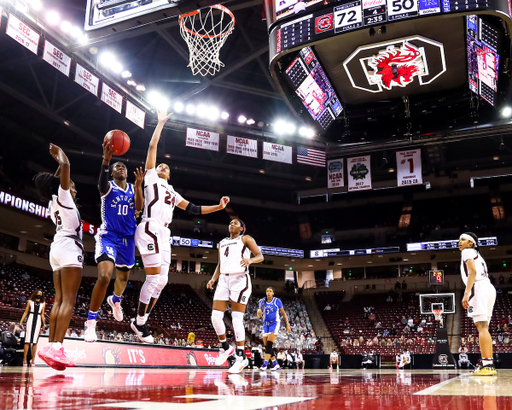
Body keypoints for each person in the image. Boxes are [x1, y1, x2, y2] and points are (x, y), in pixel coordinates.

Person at [132, 108, 230, 343]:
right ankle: (138, 322)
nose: (163, 167)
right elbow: (152, 148)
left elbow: (194, 209)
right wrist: (160, 124)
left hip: (164, 233)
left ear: (169, 175)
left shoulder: (172, 191)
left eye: (166, 167)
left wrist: (218, 207)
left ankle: (141, 322)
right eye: (160, 166)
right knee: (154, 278)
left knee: (163, 281)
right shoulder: (151, 178)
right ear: (154, 172)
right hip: (149, 226)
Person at [84, 141, 144, 342]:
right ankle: (91, 322)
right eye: (117, 167)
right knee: (104, 277)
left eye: (123, 166)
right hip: (108, 235)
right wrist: (106, 160)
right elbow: (100, 184)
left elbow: (139, 206)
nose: (121, 168)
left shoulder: (132, 189)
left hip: (127, 238)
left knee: (123, 279)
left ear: (126, 173)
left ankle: (115, 300)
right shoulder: (107, 187)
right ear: (112, 172)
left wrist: (138, 186)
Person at [34, 144, 82, 371]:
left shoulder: (53, 201)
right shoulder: (63, 195)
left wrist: (56, 165)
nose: (72, 187)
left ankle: (51, 345)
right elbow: (66, 166)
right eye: (69, 184)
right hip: (70, 246)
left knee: (60, 299)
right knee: (69, 301)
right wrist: (61, 154)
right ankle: (58, 346)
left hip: (57, 249)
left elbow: (57, 178)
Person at [208, 218, 264, 373]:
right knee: (215, 317)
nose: (231, 224)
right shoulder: (222, 242)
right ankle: (225, 348)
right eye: (230, 223)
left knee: (236, 318)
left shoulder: (245, 239)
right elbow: (220, 265)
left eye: (235, 223)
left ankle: (241, 356)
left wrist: (250, 260)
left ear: (241, 229)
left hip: (240, 279)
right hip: (224, 279)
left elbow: (260, 256)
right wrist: (213, 279)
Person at [459, 232, 497, 376]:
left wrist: (466, 293)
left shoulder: (467, 252)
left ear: (471, 243)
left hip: (479, 288)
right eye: (460, 240)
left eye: (463, 239)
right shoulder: (477, 254)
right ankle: (489, 364)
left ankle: (487, 365)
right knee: (484, 328)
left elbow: (472, 272)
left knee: (481, 327)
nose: (460, 242)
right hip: (489, 287)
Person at [257, 286, 291, 372]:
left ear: (273, 293)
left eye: (270, 291)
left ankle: (265, 364)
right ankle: (275, 363)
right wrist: (258, 313)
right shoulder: (262, 301)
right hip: (265, 324)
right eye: (267, 291)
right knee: (266, 346)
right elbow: (259, 315)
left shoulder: (277, 301)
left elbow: (283, 313)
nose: (268, 292)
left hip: (274, 323)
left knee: (269, 344)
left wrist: (288, 325)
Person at [19, 290, 46, 367]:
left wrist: (44, 324)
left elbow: (42, 315)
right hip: (30, 320)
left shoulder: (43, 304)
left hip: (38, 321)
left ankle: (33, 360)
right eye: (38, 293)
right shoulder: (30, 302)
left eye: (41, 293)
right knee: (27, 341)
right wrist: (21, 321)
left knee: (35, 342)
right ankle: (24, 360)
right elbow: (26, 312)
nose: (39, 294)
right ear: (35, 294)